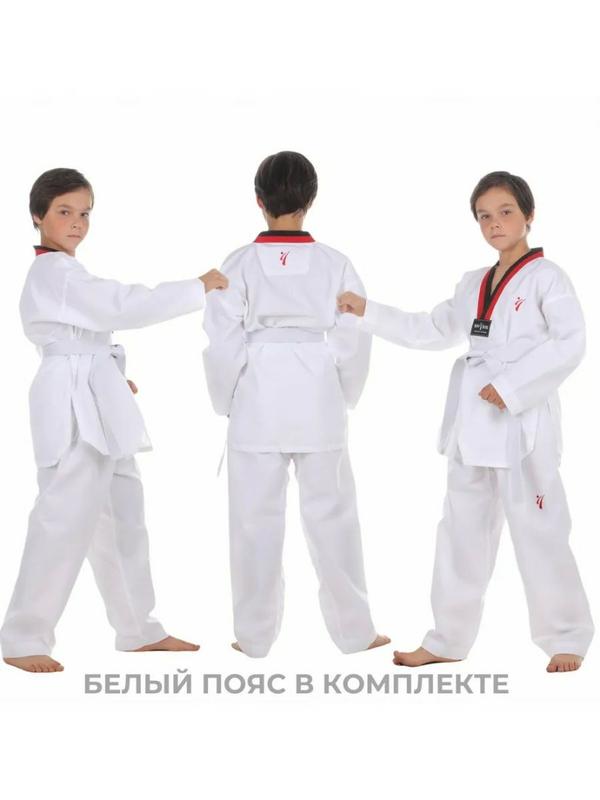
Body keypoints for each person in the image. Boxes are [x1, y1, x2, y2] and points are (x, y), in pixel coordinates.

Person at [338, 171, 594, 673]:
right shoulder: (474, 282)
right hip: (474, 421)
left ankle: (567, 636)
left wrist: (514, 387)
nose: (495, 223)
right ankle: (448, 639)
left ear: (529, 215)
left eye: (505, 212)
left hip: (523, 423)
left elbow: (571, 343)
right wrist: (368, 311)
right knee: (460, 532)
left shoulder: (548, 278)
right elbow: (432, 329)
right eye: (484, 216)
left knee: (540, 528)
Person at [1, 167, 228, 673]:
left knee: (122, 515)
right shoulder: (53, 273)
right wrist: (196, 287)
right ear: (37, 216)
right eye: (64, 212)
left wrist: (109, 378)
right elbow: (118, 306)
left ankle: (138, 628)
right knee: (62, 517)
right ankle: (22, 637)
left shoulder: (67, 272)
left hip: (95, 393)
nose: (77, 223)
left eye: (84, 213)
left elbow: (88, 332)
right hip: (72, 401)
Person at [203, 151, 389, 657]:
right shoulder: (335, 263)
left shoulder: (238, 263)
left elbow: (222, 339)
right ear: (311, 199)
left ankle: (253, 637)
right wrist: (343, 390)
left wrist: (226, 398)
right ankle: (356, 633)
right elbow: (353, 334)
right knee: (335, 519)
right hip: (318, 396)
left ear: (258, 200)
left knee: (252, 524)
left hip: (257, 398)